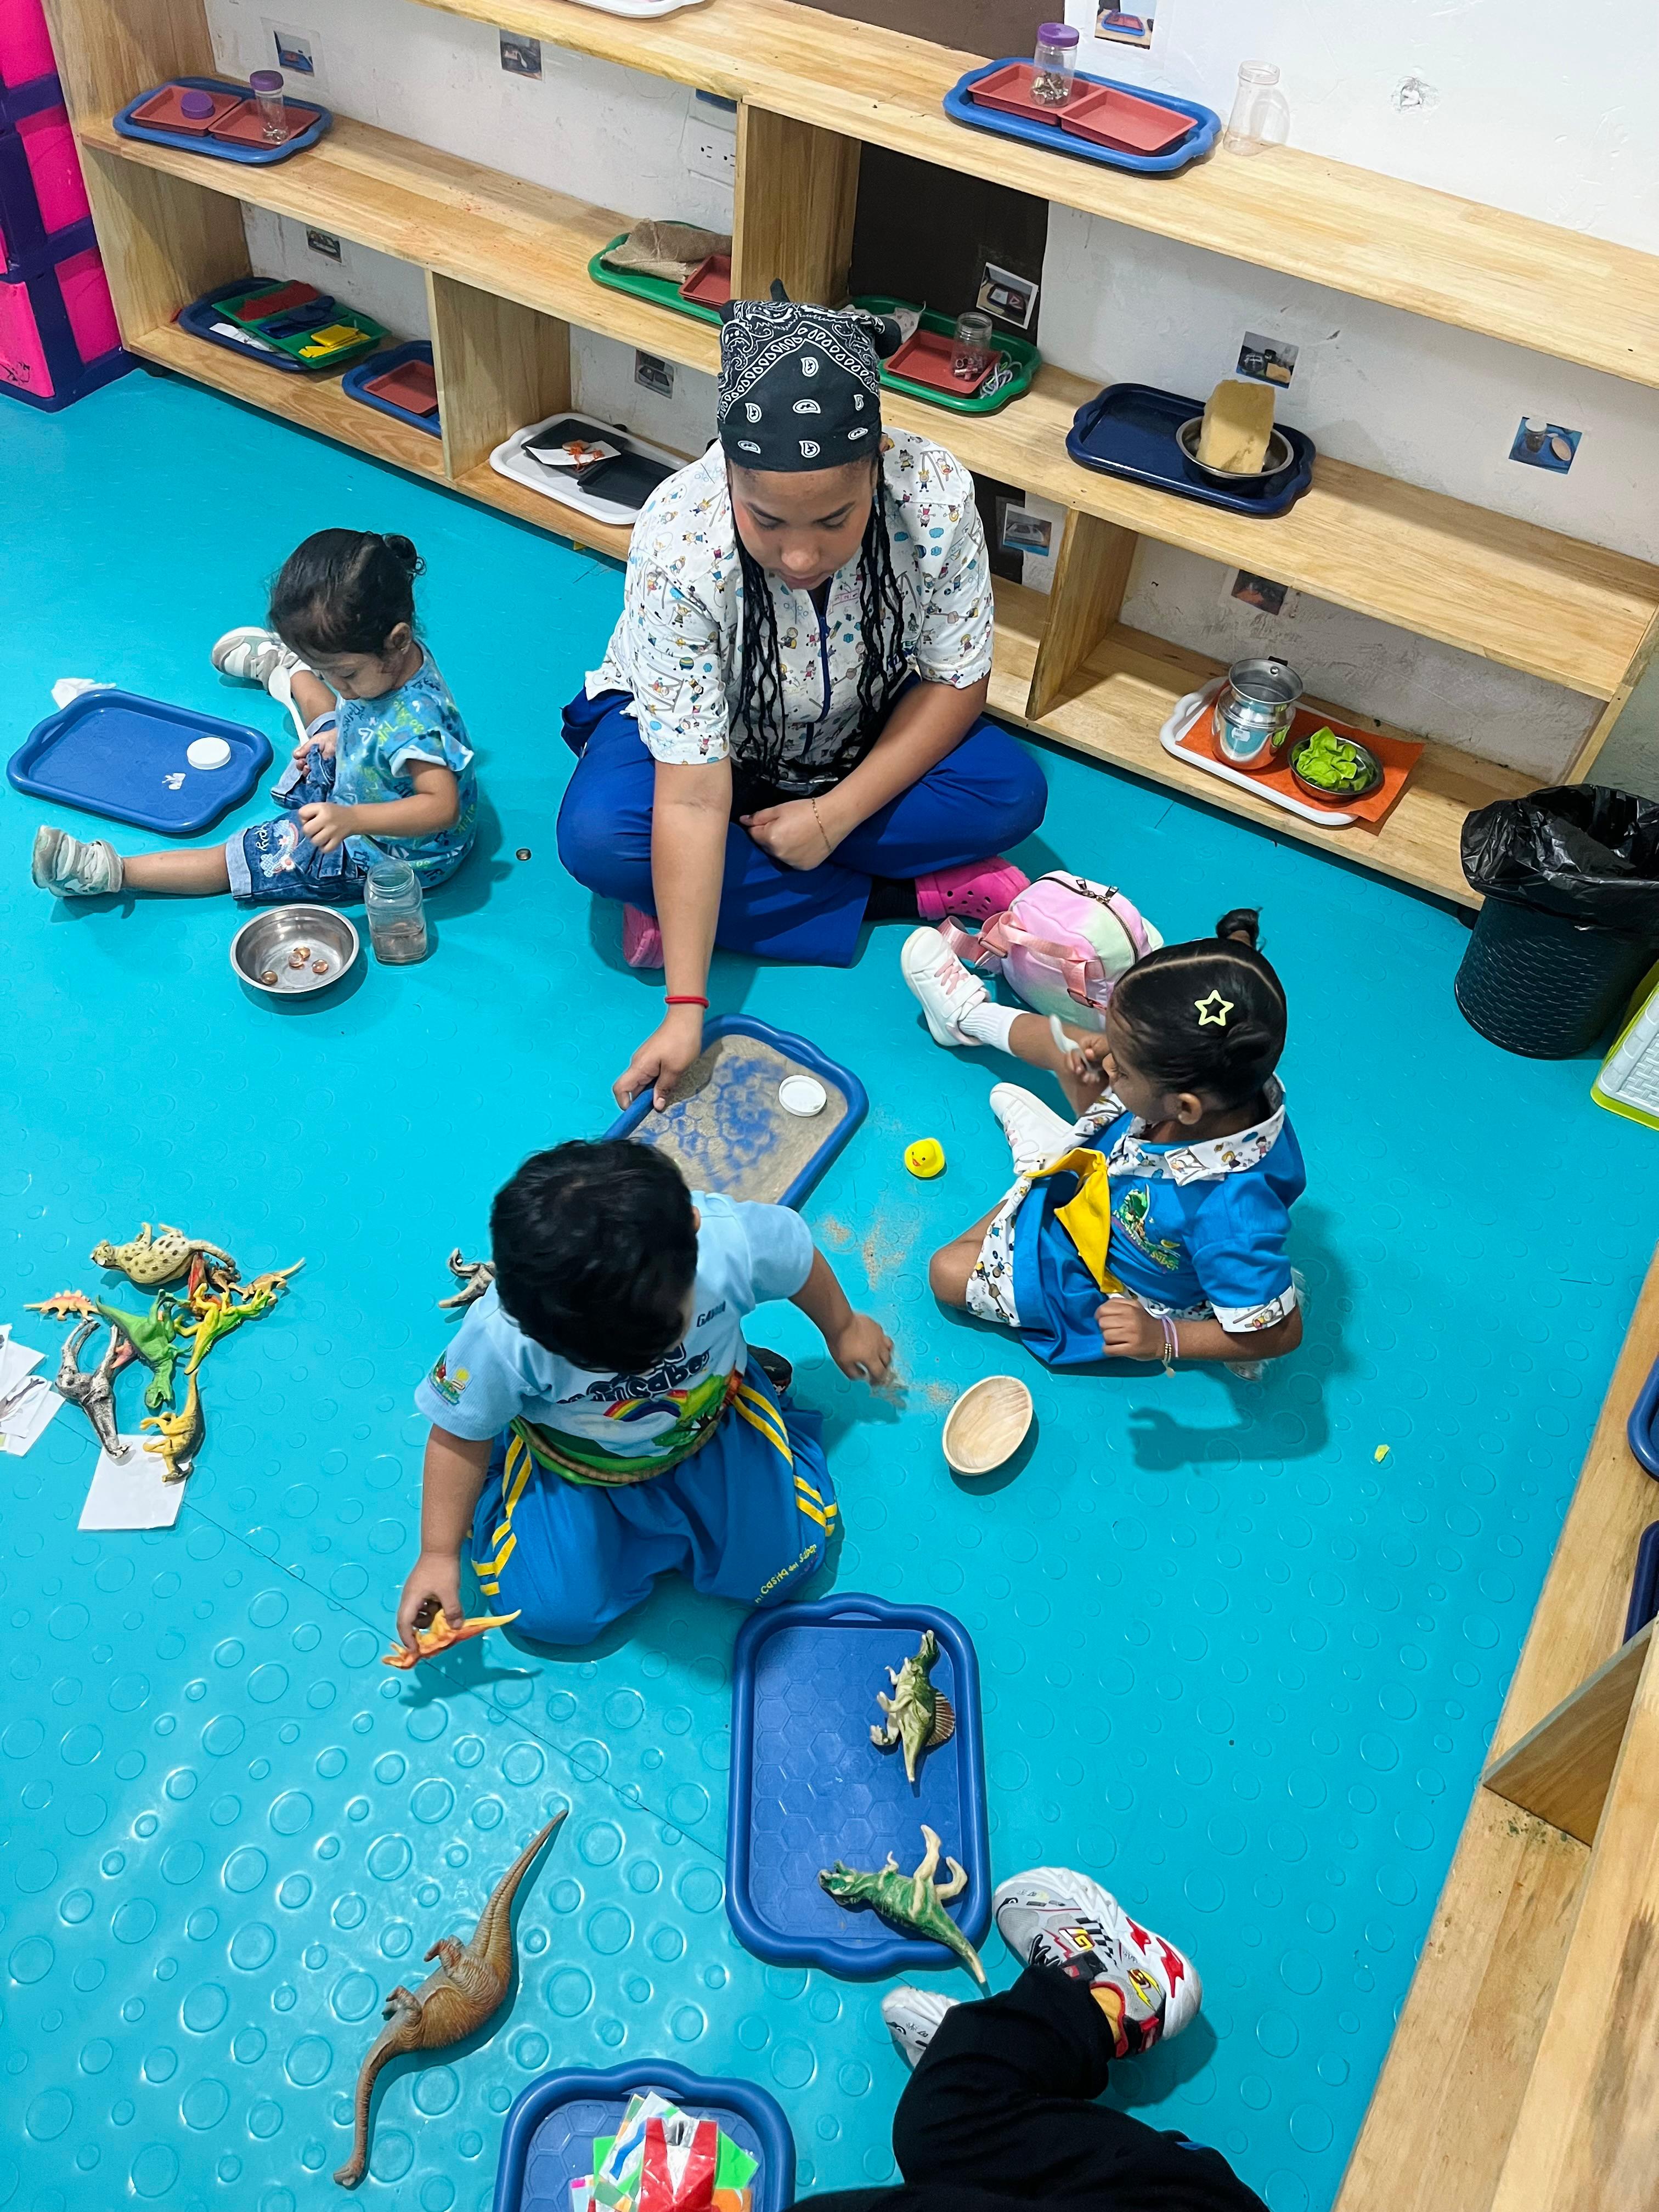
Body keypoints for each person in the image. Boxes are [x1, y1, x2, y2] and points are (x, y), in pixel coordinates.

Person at [555, 289, 1048, 1111]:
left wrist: (834, 815)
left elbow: (957, 679)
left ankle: (699, 901)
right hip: (707, 756)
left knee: (1011, 791)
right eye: (768, 518)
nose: (798, 553)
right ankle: (906, 898)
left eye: (834, 518)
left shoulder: (934, 497)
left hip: (854, 736)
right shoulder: (681, 536)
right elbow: (689, 792)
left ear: (878, 460)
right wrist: (686, 1008)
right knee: (601, 839)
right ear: (728, 469)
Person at [395, 1139, 893, 1650]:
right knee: (548, 1617)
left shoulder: (730, 1243)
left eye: (655, 1344)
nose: (639, 1366)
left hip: (712, 1429)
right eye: (597, 1359)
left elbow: (797, 1257)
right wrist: (436, 1554)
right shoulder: (502, 1338)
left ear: (694, 1234)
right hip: (576, 1469)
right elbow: (457, 1431)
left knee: (787, 1570)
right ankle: (511, 1476)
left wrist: (844, 1327)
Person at [905, 912, 1304, 1369]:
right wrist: (1116, 1064)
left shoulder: (1232, 1216)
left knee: (947, 1272)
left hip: (1107, 1276)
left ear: (1186, 1108)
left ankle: (1052, 1160)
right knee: (1075, 1048)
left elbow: (1282, 1333)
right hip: (1122, 1164)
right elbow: (1236, 978)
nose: (1109, 1060)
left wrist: (1163, 1340)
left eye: (1125, 1068)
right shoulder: (1225, 1074)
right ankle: (966, 1017)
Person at [30, 529, 476, 904]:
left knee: (240, 856)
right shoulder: (386, 665)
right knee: (326, 724)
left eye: (343, 672)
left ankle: (103, 872)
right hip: (364, 782)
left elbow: (441, 806)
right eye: (325, 671)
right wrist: (343, 738)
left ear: (396, 642)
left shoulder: (417, 721)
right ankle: (285, 667)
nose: (340, 687)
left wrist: (353, 820)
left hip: (387, 855)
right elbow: (367, 710)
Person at [797, 1866, 1268, 2212]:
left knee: (929, 2136)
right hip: (1172, 2199)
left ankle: (992, 2066)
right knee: (945, 2113)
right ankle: (1119, 1999)